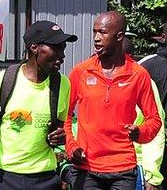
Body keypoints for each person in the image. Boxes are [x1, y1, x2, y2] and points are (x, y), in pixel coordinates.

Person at [0, 20, 76, 190]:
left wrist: (58, 137)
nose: (62, 55)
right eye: (56, 48)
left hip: (44, 178)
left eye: (63, 48)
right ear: (34, 47)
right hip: (3, 178)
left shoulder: (62, 85)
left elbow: (56, 130)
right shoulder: (4, 81)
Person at [65, 12, 161, 190]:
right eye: (94, 32)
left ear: (119, 36)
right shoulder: (81, 72)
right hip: (86, 168)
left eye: (102, 33)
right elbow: (65, 117)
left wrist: (140, 132)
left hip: (123, 169)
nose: (96, 38)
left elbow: (155, 120)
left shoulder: (138, 75)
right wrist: (71, 146)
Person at [124, 36, 164, 190]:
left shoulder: (142, 81)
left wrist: (151, 176)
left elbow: (155, 129)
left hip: (135, 167)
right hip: (98, 166)